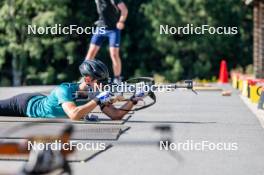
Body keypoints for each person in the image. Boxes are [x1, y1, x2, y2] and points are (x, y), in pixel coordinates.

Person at [0, 60, 144, 120]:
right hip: (24, 105)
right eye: (101, 82)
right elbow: (74, 115)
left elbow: (116, 115)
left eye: (105, 82)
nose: (104, 85)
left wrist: (133, 100)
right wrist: (98, 99)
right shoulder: (65, 89)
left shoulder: (96, 94)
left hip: (39, 99)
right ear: (88, 80)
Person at [86, 0, 128, 84]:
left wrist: (121, 21)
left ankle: (117, 78)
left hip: (113, 29)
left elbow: (124, 10)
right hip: (100, 27)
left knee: (114, 54)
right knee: (91, 53)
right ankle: (85, 76)